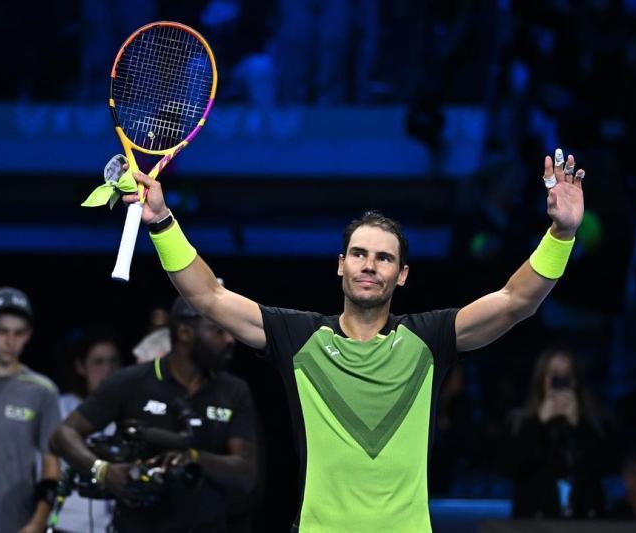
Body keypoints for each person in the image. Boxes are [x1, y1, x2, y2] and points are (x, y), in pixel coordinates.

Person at [124, 148, 585, 531]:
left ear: (401, 275)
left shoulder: (429, 338)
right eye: (359, 254)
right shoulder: (298, 336)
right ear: (340, 264)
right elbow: (208, 295)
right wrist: (163, 221)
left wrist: (561, 233)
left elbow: (514, 301)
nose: (370, 265)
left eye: (384, 258)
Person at [50, 297, 257, 533]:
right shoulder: (132, 382)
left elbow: (247, 474)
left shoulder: (233, 391)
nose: (230, 339)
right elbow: (62, 435)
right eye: (219, 330)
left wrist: (193, 458)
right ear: (184, 332)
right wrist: (103, 471)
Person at [0, 287, 61, 533]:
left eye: (19, 333)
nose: (10, 341)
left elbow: (52, 468)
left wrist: (37, 524)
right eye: (2, 331)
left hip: (15, 525)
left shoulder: (42, 391)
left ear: (29, 335)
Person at [503, 345, 606, 519]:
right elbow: (509, 468)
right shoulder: (519, 422)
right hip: (533, 523)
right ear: (541, 379)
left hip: (584, 520)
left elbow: (606, 467)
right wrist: (538, 423)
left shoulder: (595, 421)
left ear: (575, 381)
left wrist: (578, 425)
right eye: (553, 374)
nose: (560, 380)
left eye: (566, 374)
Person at [54, 327, 122, 532]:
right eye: (99, 362)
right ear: (81, 366)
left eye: (113, 362)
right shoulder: (59, 407)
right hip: (65, 524)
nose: (107, 370)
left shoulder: (126, 415)